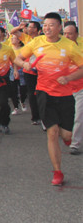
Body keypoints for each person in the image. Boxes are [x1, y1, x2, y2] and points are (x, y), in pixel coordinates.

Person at [15, 13, 83, 186]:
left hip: (65, 94)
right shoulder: (37, 42)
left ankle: (67, 137)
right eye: (45, 25)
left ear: (59, 27)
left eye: (51, 25)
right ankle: (57, 171)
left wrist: (68, 78)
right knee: (52, 132)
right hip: (44, 93)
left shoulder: (69, 46)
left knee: (66, 134)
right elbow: (17, 58)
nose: (47, 28)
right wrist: (24, 64)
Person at [11, 20, 42, 125]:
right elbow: (13, 32)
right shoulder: (26, 38)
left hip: (42, 70)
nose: (29, 29)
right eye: (28, 27)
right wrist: (19, 27)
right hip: (29, 70)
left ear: (37, 30)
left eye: (32, 27)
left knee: (41, 94)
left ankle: (43, 115)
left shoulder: (43, 40)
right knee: (32, 94)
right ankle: (35, 117)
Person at [62, 21, 83, 156]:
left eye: (70, 34)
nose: (67, 36)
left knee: (79, 116)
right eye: (65, 33)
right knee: (66, 116)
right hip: (64, 89)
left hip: (80, 87)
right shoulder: (58, 47)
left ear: (76, 34)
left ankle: (75, 144)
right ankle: (67, 136)